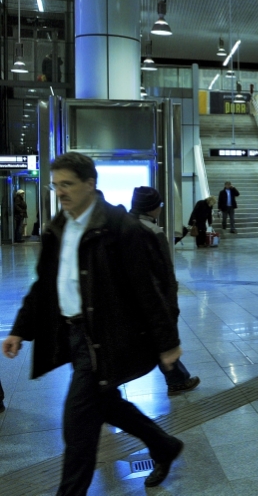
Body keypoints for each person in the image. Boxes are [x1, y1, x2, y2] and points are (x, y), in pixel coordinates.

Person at [2, 152, 184, 492]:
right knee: (105, 403)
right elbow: (45, 284)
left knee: (78, 425)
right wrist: (20, 329)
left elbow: (149, 290)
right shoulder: (59, 227)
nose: (61, 192)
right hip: (74, 334)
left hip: (108, 337)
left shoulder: (120, 228)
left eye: (67, 184)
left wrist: (168, 342)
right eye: (56, 185)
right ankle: (163, 445)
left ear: (90, 183)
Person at [130, 187, 201, 395]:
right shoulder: (152, 231)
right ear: (153, 208)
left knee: (153, 338)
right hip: (152, 296)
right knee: (160, 336)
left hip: (130, 295)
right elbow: (164, 272)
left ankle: (177, 377)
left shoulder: (123, 225)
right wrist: (171, 303)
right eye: (159, 205)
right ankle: (177, 378)